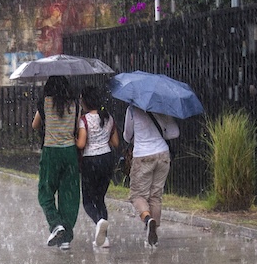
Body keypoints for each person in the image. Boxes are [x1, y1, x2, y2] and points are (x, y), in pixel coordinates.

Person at [31, 76, 81, 251]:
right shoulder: (74, 103)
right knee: (70, 195)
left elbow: (35, 125)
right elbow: (77, 126)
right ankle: (65, 236)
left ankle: (56, 224)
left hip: (51, 151)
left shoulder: (44, 103)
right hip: (70, 152)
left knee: (45, 191)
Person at [123, 105, 179, 247]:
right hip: (163, 154)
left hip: (143, 155)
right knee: (155, 195)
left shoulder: (132, 110)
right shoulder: (163, 107)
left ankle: (148, 220)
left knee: (137, 195)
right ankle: (154, 233)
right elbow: (174, 133)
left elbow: (127, 135)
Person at [76, 86, 119, 248]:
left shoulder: (84, 120)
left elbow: (81, 143)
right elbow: (115, 143)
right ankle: (104, 238)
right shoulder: (108, 118)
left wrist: (71, 139)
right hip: (107, 160)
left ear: (86, 102)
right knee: (100, 199)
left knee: (88, 201)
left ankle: (99, 221)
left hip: (90, 162)